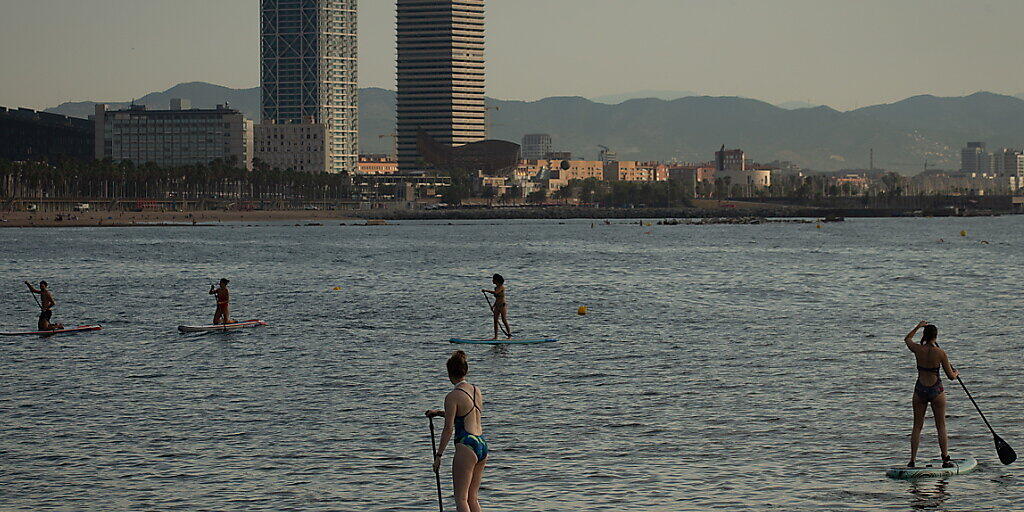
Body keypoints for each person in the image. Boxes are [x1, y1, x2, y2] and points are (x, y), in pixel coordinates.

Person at [426, 351, 487, 512]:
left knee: (460, 498)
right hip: (481, 444)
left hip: (466, 444)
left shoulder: (452, 396)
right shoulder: (476, 390)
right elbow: (464, 414)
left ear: (449, 374)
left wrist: (439, 455)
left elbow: (448, 428)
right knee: (472, 498)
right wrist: (439, 413)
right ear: (465, 371)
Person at [904, 321, 959, 468]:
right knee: (941, 426)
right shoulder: (941, 353)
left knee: (917, 426)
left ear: (924, 335)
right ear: (936, 336)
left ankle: (912, 461)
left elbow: (907, 339)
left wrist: (917, 326)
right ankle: (945, 459)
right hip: (936, 391)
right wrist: (956, 372)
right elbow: (951, 376)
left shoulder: (917, 349)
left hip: (920, 389)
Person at [482, 274, 511, 340]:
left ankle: (509, 336)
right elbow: (497, 298)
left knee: (504, 320)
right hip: (497, 306)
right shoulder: (496, 287)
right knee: (495, 321)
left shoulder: (501, 287)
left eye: (493, 279)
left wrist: (486, 291)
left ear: (497, 280)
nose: (492, 280)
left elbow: (496, 293)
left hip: (502, 306)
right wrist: (493, 306)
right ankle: (495, 337)